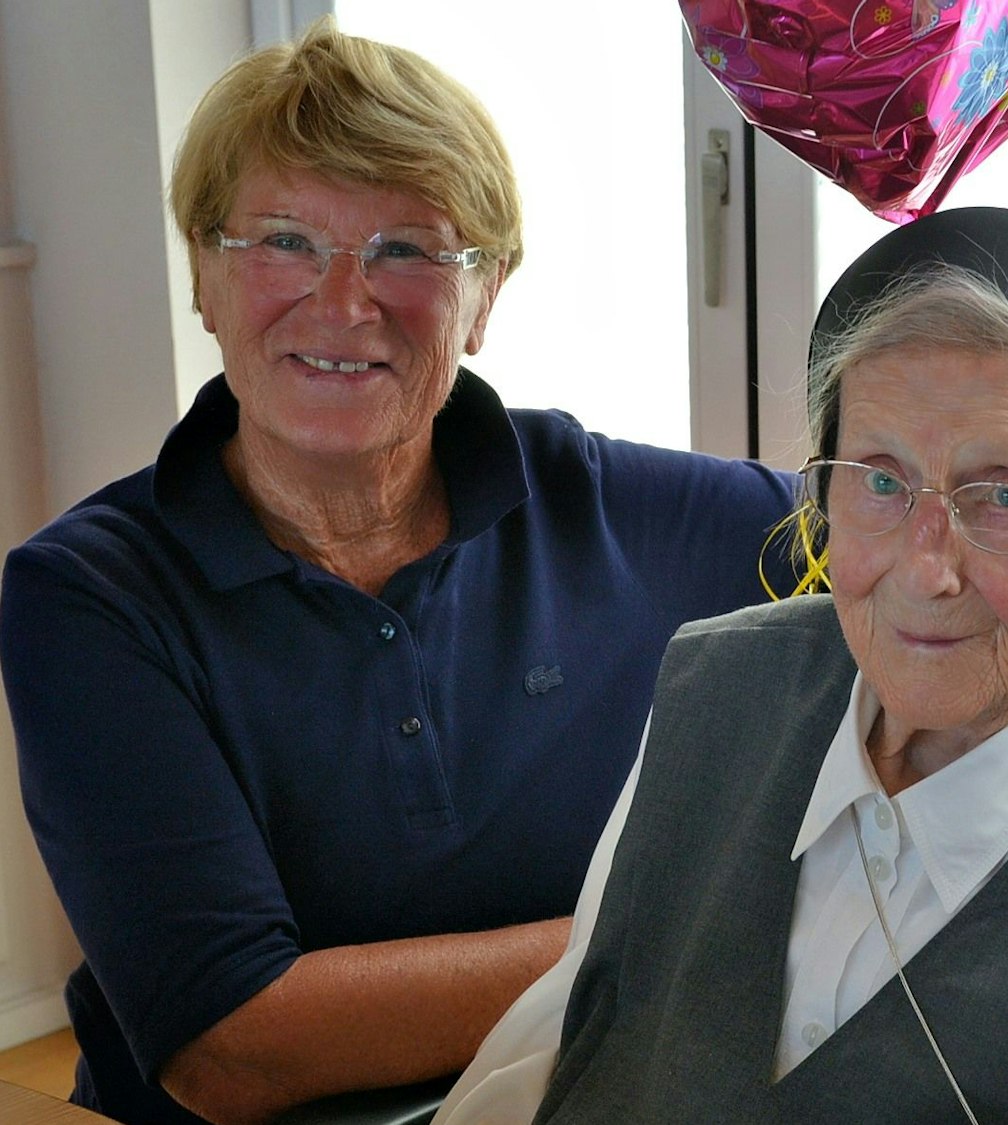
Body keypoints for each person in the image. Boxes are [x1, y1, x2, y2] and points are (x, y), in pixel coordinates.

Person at [0, 20, 795, 1125]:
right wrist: (674, 929)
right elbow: (233, 1048)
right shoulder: (85, 595)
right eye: (281, 241)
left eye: (408, 251)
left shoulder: (614, 505)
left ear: (488, 293)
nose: (341, 303)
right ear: (203, 274)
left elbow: (904, 537)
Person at [434, 207, 1008, 1124]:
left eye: (1004, 495)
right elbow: (563, 1046)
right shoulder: (714, 688)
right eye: (880, 479)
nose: (928, 566)